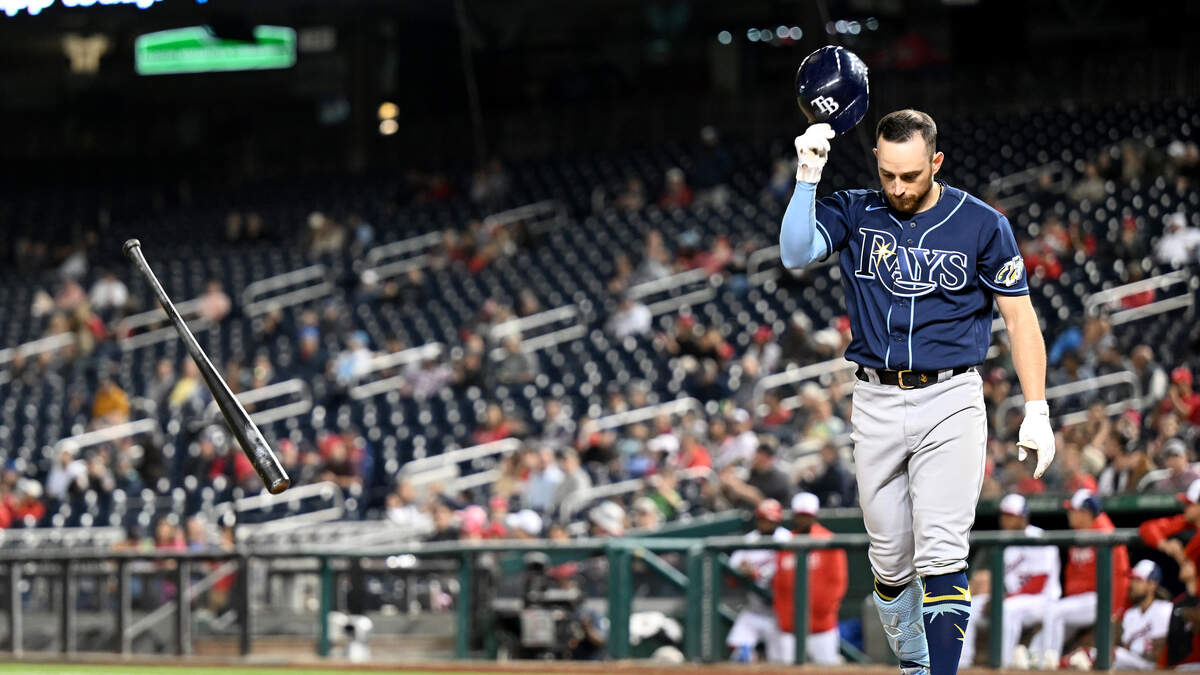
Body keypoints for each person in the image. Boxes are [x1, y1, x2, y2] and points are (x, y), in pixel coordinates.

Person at [780, 109, 1054, 675]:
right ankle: (915, 665)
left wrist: (1037, 407)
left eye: (910, 175)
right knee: (889, 565)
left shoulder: (982, 224)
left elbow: (1020, 318)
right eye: (888, 175)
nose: (899, 187)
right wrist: (807, 177)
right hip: (874, 399)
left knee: (943, 553)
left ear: (936, 162)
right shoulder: (856, 209)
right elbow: (794, 253)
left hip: (951, 398)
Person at [958, 494, 1061, 669]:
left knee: (1006, 609)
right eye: (1003, 515)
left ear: (1023, 517)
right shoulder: (1006, 541)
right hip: (1014, 598)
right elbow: (1004, 582)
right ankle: (963, 662)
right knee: (970, 606)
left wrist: (1002, 598)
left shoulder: (1039, 537)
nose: (1004, 520)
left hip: (1043, 599)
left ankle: (1002, 665)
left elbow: (1038, 583)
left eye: (1010, 516)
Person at [1029, 489, 1130, 668]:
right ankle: (1030, 662)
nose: (1069, 514)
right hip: (1079, 601)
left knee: (1054, 612)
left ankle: (1047, 666)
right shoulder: (1079, 532)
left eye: (1073, 510)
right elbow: (1072, 572)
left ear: (1086, 513)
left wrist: (1115, 611)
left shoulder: (1105, 532)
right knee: (1046, 629)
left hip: (1100, 599)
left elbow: (1121, 575)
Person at [771, 492, 848, 665]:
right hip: (789, 625)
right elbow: (778, 581)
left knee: (827, 667)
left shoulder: (828, 540)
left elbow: (838, 581)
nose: (803, 520)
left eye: (807, 516)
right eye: (800, 515)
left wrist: (824, 610)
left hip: (821, 625)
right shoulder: (785, 541)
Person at [726, 499, 792, 663]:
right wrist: (741, 571)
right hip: (754, 609)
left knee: (781, 662)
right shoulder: (749, 540)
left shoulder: (787, 538)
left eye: (770, 520)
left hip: (779, 612)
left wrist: (758, 574)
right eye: (763, 519)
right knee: (739, 653)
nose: (766, 524)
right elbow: (731, 570)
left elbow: (791, 573)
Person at [1112, 560, 1171, 670]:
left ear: (1152, 585)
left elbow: (1160, 652)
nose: (1131, 584)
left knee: (1110, 655)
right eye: (1132, 579)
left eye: (1138, 580)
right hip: (1133, 665)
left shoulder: (1164, 609)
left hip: (1156, 668)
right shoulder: (1130, 614)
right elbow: (1126, 648)